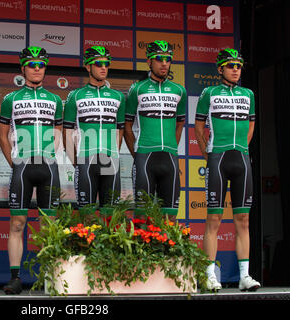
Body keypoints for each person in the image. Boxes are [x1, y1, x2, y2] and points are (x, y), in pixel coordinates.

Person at [195, 48, 260, 292]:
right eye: (231, 65)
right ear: (220, 68)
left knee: (243, 220)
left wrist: (241, 148)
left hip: (241, 159)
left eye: (239, 66)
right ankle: (209, 275)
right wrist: (208, 154)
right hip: (218, 159)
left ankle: (244, 276)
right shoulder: (208, 93)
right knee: (213, 219)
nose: (236, 69)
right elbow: (198, 127)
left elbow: (251, 126)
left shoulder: (248, 94)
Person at [0, 46, 63, 294]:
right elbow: (2, 136)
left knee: (50, 224)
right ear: (23, 68)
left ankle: (49, 278)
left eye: (41, 65)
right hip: (22, 166)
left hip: (48, 165)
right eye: (32, 64)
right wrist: (14, 162)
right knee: (17, 223)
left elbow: (58, 132)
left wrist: (51, 155)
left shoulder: (55, 100)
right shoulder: (10, 99)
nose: (37, 69)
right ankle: (15, 278)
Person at [124, 40, 187, 220]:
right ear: (149, 61)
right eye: (159, 59)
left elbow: (179, 124)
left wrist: (172, 148)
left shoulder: (179, 91)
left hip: (169, 158)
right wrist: (137, 153)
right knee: (143, 218)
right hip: (144, 156)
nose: (164, 63)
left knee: (170, 218)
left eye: (168, 59)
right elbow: (127, 127)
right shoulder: (137, 89)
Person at [63, 46, 125, 215]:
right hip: (85, 161)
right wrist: (76, 162)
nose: (103, 67)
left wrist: (113, 154)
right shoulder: (75, 96)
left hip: (110, 160)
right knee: (86, 218)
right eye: (98, 63)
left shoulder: (118, 96)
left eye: (106, 63)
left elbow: (120, 130)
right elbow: (66, 131)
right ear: (88, 67)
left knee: (111, 218)